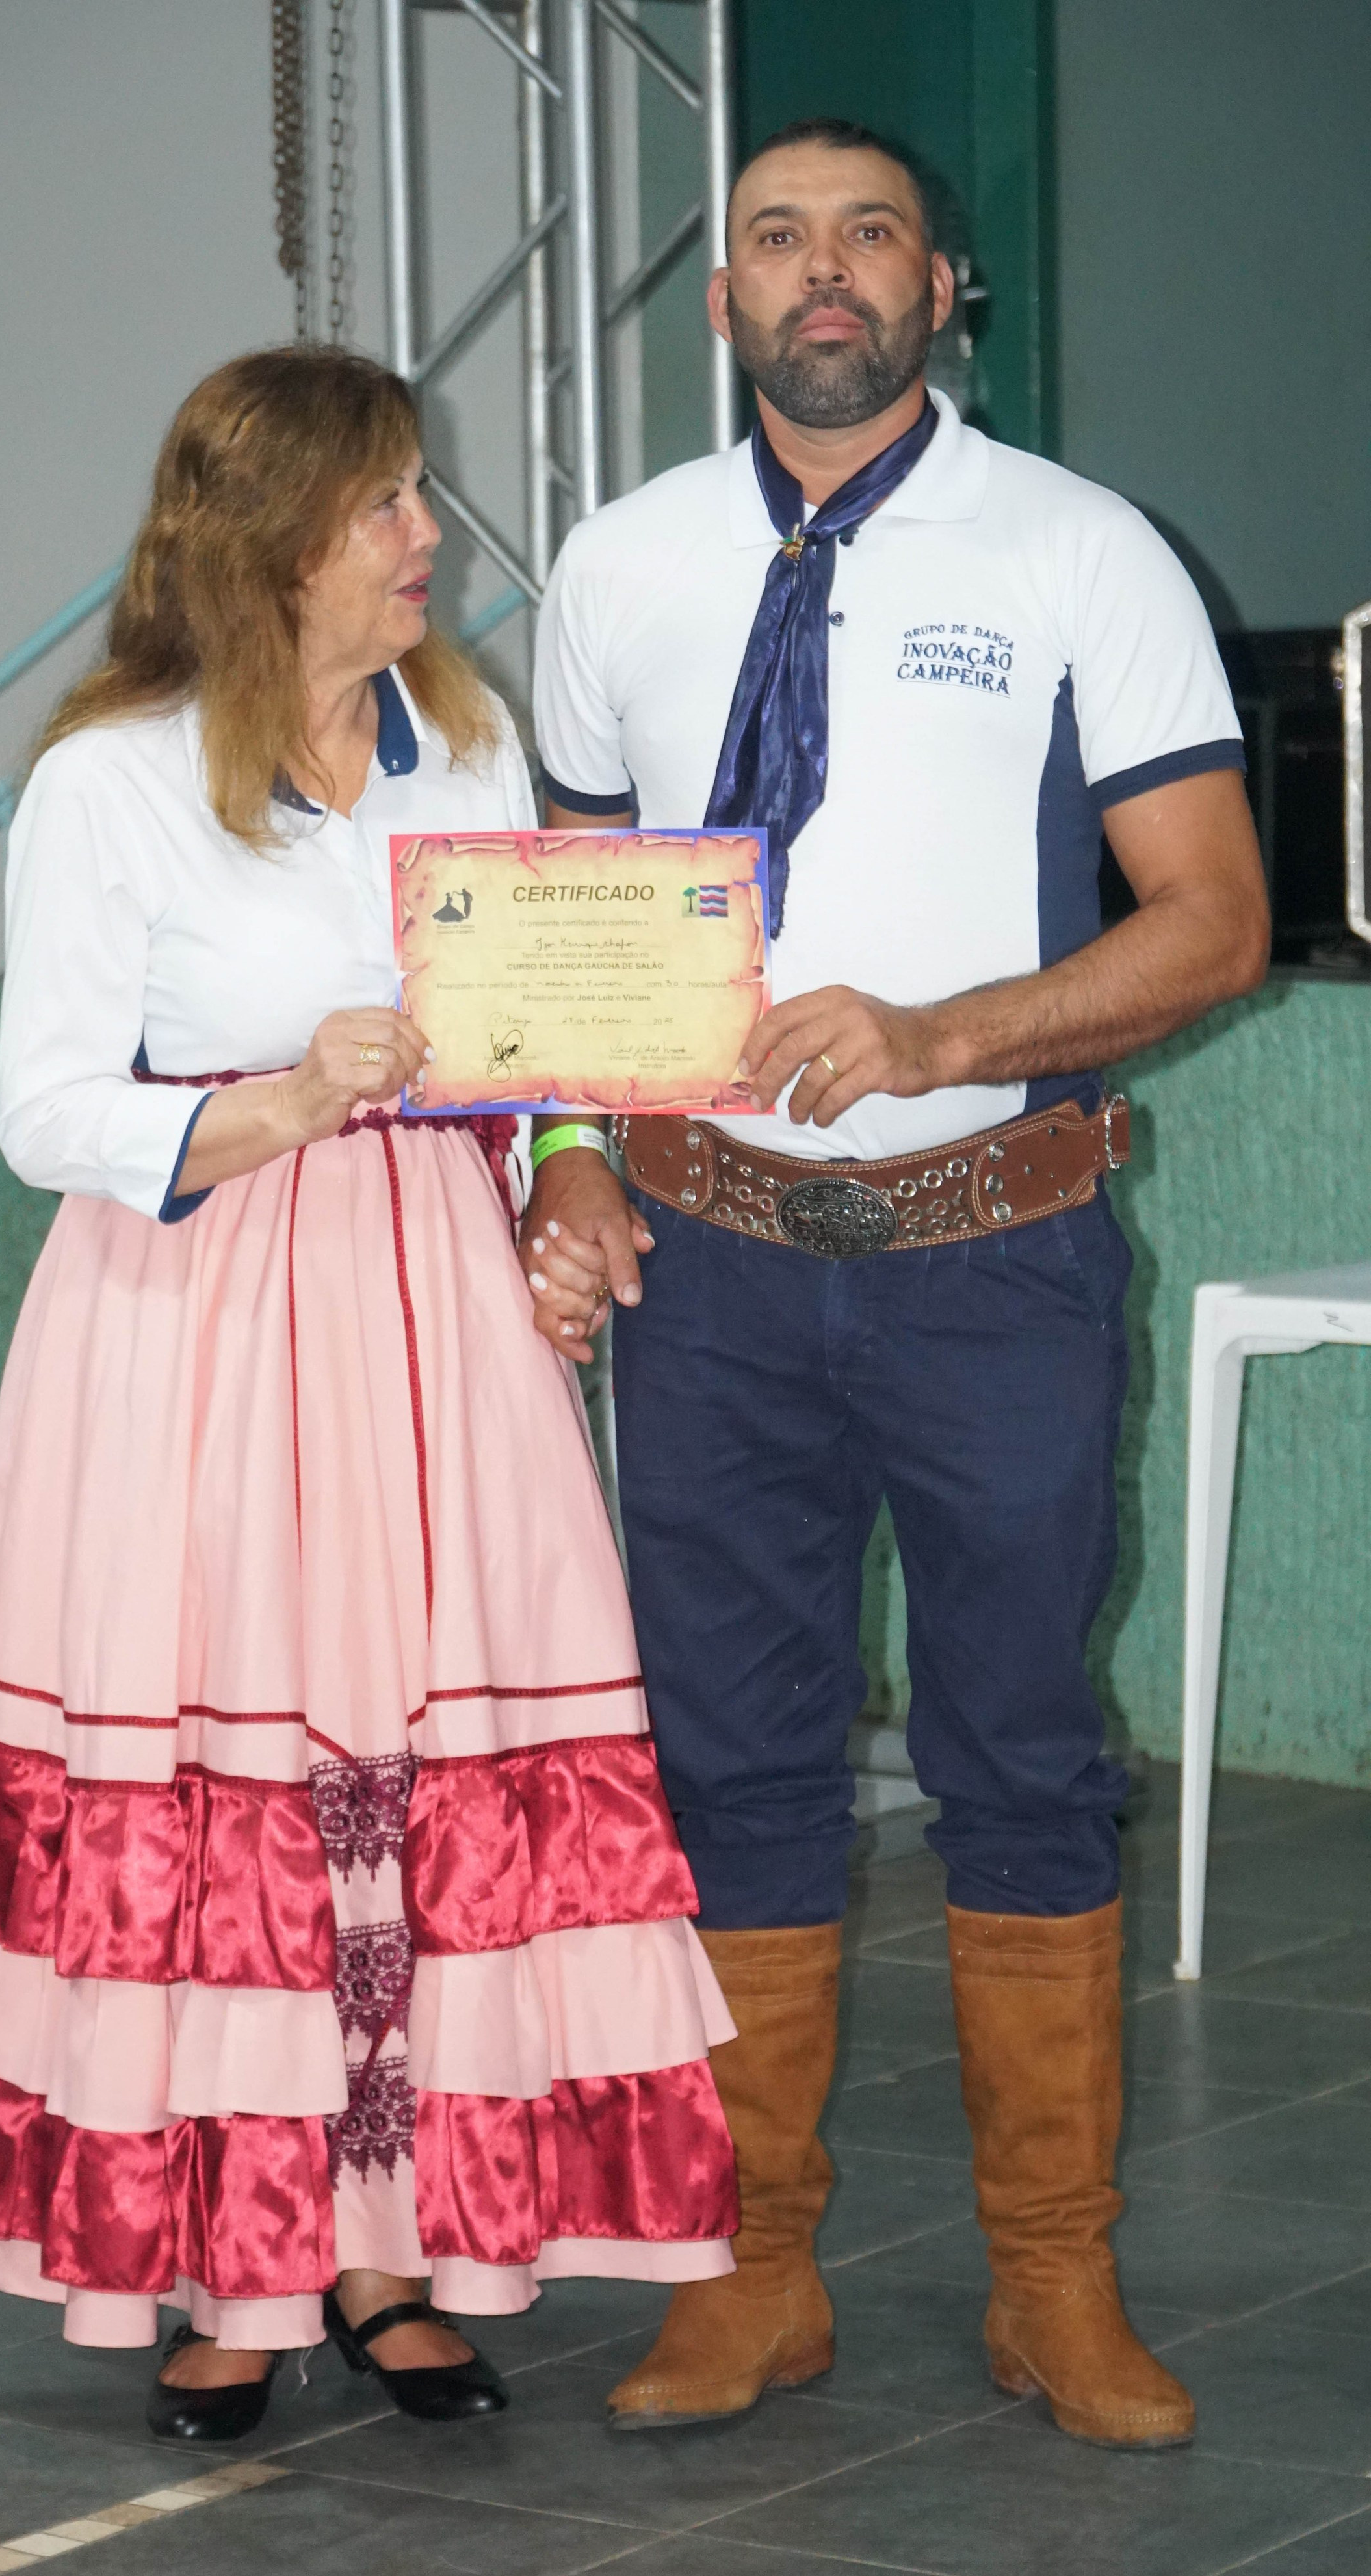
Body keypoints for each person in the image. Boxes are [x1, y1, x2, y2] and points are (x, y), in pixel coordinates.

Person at [0, 347, 738, 2445]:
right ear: (262, 547)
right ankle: (231, 2270)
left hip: (429, 1321)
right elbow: (41, 1109)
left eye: (415, 498)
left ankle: (390, 2254)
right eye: (384, 507)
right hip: (201, 1318)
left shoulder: (465, 745)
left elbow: (538, 1053)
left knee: (426, 1760)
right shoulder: (115, 775)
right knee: (232, 1787)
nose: (426, 538)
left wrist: (566, 1172)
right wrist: (269, 1106)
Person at [524, 120, 1271, 2448]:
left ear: (943, 288)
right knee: (731, 1762)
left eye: (867, 236)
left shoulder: (1076, 548)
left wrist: (946, 1032)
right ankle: (755, 2278)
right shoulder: (617, 565)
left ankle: (1055, 2287)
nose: (818, 272)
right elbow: (558, 933)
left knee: (1022, 1760)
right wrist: (563, 1156)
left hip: (995, 1266)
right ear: (716, 291)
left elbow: (1213, 920)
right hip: (712, 1285)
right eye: (774, 237)